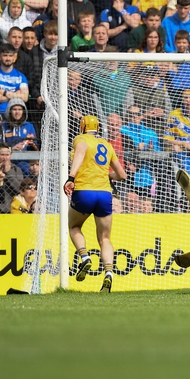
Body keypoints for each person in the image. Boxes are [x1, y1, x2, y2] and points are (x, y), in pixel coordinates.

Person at [64, 115, 127, 293]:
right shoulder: (107, 145)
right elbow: (122, 175)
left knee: (74, 226)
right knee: (105, 238)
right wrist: (108, 176)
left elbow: (81, 151)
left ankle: (84, 257)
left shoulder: (81, 139)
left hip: (84, 191)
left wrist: (71, 177)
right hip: (105, 194)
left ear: (82, 126)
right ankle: (108, 273)